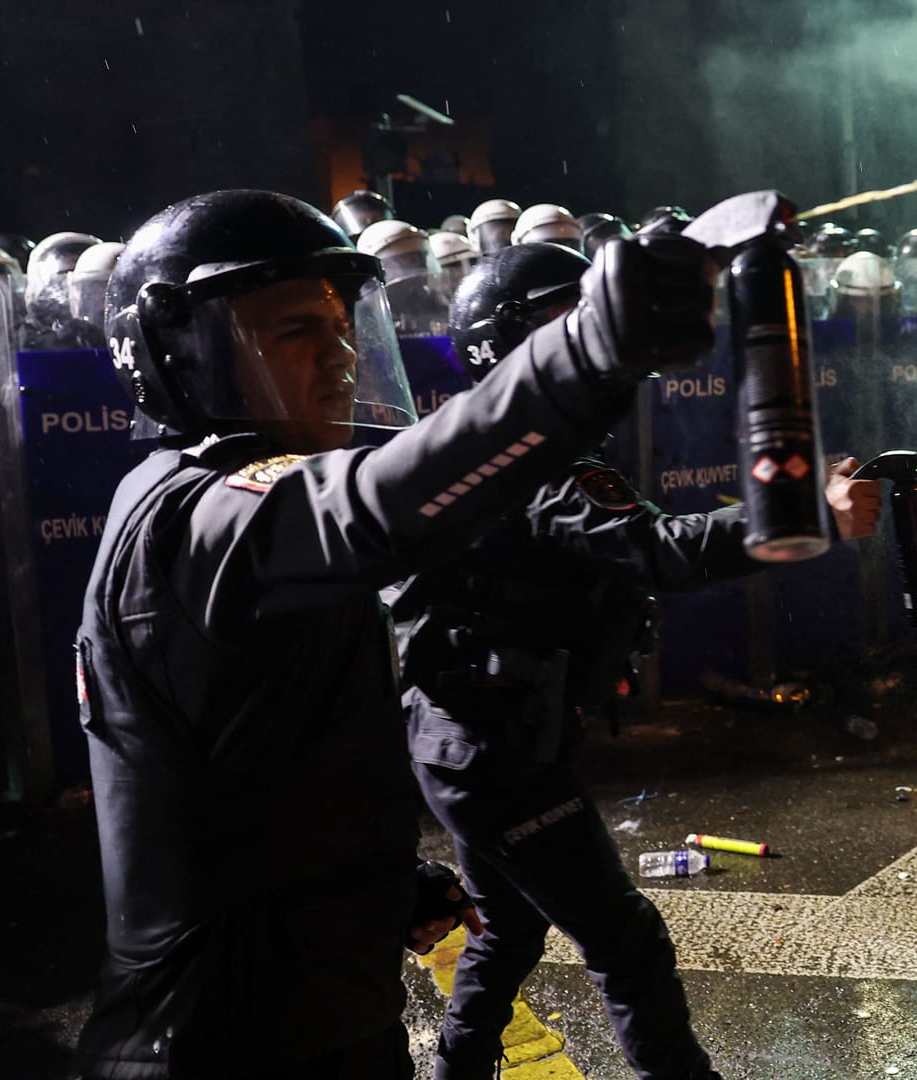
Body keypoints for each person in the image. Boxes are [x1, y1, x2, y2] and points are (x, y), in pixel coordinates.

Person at [74, 189, 716, 1079]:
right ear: (179, 346)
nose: (340, 360)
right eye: (296, 332)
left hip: (319, 1017)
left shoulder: (257, 513)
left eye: (344, 329)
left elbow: (259, 763)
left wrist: (372, 887)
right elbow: (382, 506)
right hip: (221, 1046)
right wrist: (588, 351)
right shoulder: (196, 513)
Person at [396, 241, 881, 1080]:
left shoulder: (504, 438)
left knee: (508, 924)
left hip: (480, 741)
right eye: (567, 321)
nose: (597, 336)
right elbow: (656, 551)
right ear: (512, 344)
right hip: (496, 754)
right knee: (627, 941)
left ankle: (457, 1070)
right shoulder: (530, 452)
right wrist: (811, 516)